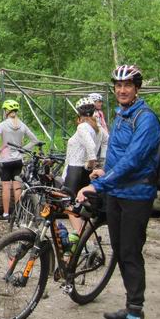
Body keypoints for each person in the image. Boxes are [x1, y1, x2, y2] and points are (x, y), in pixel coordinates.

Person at [78, 65, 160, 319]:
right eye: (118, 85)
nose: (122, 90)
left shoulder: (146, 119)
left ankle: (135, 317)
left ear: (137, 88)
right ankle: (130, 306)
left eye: (128, 85)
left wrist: (99, 183)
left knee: (130, 253)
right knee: (119, 249)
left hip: (137, 194)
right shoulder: (121, 115)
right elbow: (116, 155)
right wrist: (104, 169)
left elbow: (134, 159)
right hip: (117, 193)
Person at [63, 97, 108, 238]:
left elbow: (91, 146)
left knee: (68, 203)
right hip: (84, 171)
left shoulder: (82, 127)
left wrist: (92, 160)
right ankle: (84, 234)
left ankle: (78, 235)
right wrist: (102, 160)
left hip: (75, 168)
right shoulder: (98, 127)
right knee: (81, 203)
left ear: (79, 113)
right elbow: (107, 141)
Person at [0, 99, 39, 220]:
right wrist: (23, 149)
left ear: (6, 111)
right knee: (17, 187)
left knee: (6, 187)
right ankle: (19, 213)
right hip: (18, 160)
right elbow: (35, 140)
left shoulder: (3, 125)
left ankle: (6, 214)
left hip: (5, 160)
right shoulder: (22, 125)